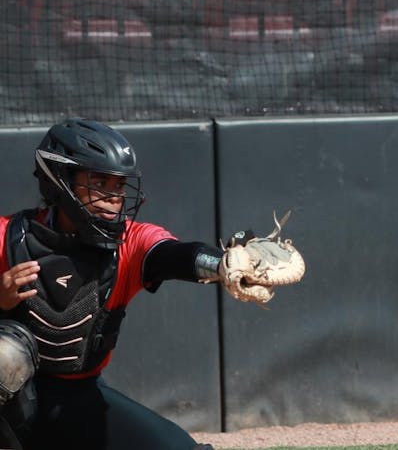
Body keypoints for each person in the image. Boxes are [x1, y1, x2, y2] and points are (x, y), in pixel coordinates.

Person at [0, 118, 303, 450]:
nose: (114, 197)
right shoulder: (7, 238)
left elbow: (170, 255)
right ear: (61, 181)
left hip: (77, 400)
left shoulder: (129, 243)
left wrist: (221, 264)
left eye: (119, 186)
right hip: (11, 411)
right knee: (5, 355)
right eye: (101, 182)